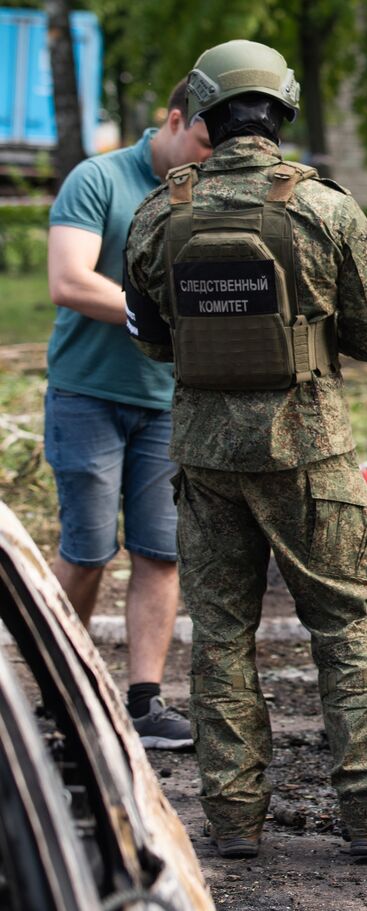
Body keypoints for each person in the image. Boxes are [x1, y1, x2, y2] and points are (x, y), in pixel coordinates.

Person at [122, 39, 367, 859]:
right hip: (310, 455)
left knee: (220, 634)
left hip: (204, 458)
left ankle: (232, 821)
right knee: (347, 627)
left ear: (205, 114)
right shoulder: (326, 209)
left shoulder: (161, 212)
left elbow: (151, 342)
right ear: (283, 109)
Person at [45, 78, 211, 750]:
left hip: (167, 402)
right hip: (87, 394)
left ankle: (144, 703)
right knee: (86, 555)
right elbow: (68, 279)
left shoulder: (211, 192)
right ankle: (62, 694)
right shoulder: (98, 179)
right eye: (201, 141)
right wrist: (159, 311)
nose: (207, 159)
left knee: (160, 554)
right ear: (174, 121)